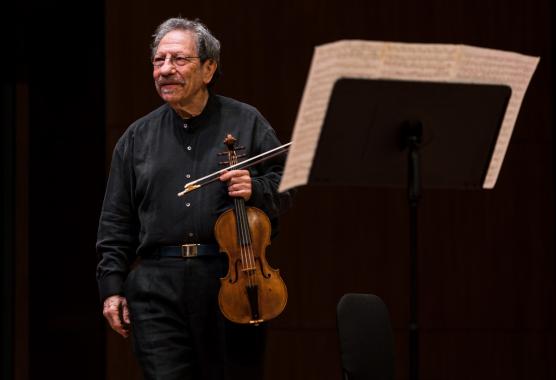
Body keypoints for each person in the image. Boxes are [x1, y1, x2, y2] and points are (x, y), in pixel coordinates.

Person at [96, 17, 293, 380]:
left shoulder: (246, 121)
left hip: (230, 280)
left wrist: (257, 189)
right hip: (156, 287)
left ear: (208, 68)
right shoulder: (136, 138)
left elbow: (286, 182)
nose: (166, 70)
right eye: (159, 60)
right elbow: (116, 220)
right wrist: (111, 289)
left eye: (179, 60)